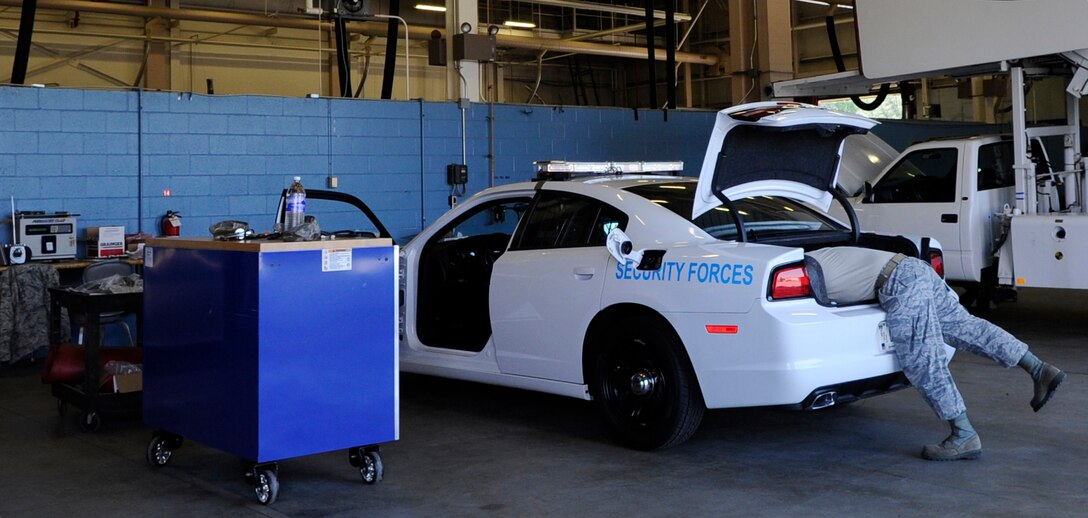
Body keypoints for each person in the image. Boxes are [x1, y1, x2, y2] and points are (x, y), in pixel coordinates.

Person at [804, 246, 1067, 461]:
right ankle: (1038, 368)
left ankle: (963, 435)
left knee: (922, 358)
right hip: (912, 268)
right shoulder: (823, 253)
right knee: (967, 328)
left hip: (898, 283)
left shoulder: (803, 268)